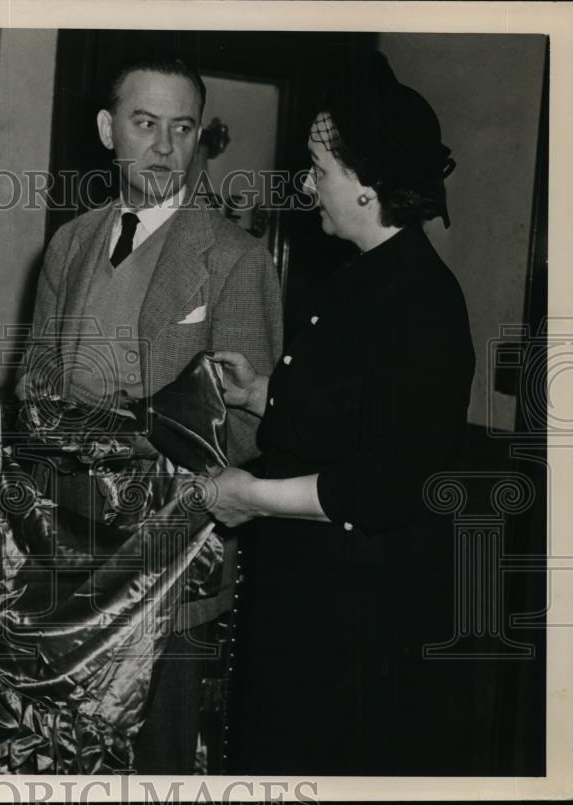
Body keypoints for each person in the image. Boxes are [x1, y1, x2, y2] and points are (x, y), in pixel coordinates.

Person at [204, 52, 476, 773]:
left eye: (319, 170)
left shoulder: (420, 301)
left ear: (368, 188)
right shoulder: (362, 278)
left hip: (357, 617)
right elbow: (353, 412)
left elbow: (386, 480)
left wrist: (250, 495)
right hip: (315, 592)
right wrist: (259, 391)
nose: (306, 183)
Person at [18, 56, 283, 773]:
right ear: (109, 131)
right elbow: (35, 388)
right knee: (64, 749)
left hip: (173, 562)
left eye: (182, 127)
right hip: (65, 552)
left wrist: (131, 441)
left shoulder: (235, 257)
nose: (165, 147)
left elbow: (252, 429)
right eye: (145, 124)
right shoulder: (69, 244)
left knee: (160, 754)